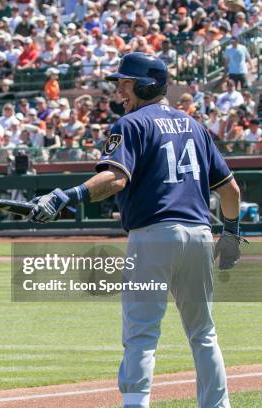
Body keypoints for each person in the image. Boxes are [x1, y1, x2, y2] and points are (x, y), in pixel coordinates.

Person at [29, 53, 243, 408]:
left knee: (142, 332)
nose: (119, 93)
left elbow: (116, 177)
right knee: (204, 333)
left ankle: (135, 404)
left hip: (153, 236)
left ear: (146, 84)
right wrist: (232, 234)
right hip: (199, 235)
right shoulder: (195, 127)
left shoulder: (130, 125)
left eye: (125, 84)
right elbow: (231, 191)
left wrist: (68, 196)